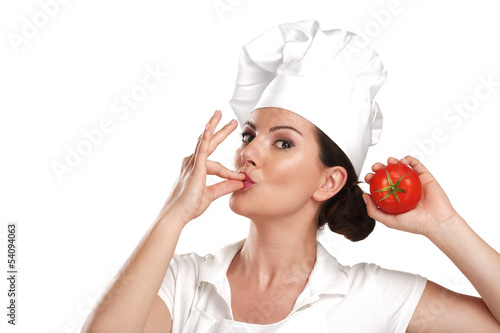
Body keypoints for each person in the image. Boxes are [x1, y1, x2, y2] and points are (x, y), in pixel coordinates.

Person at [82, 20, 500, 332]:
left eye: (283, 142)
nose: (248, 152)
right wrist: (172, 216)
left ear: (329, 182)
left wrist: (444, 226)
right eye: (248, 134)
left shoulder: (375, 297)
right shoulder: (184, 282)